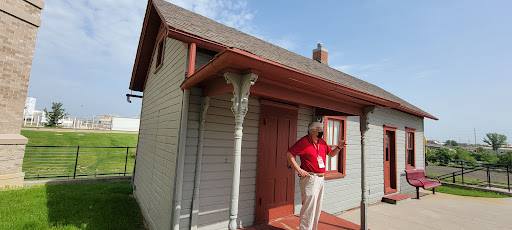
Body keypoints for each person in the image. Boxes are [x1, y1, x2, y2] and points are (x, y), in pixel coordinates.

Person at [285, 121, 347, 230]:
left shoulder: (321, 142)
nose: (321, 131)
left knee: (317, 207)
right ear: (312, 131)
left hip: (320, 178)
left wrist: (339, 147)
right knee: (308, 208)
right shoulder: (303, 142)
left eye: (322, 129)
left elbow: (331, 154)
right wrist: (299, 170)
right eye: (319, 130)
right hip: (310, 178)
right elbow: (289, 154)